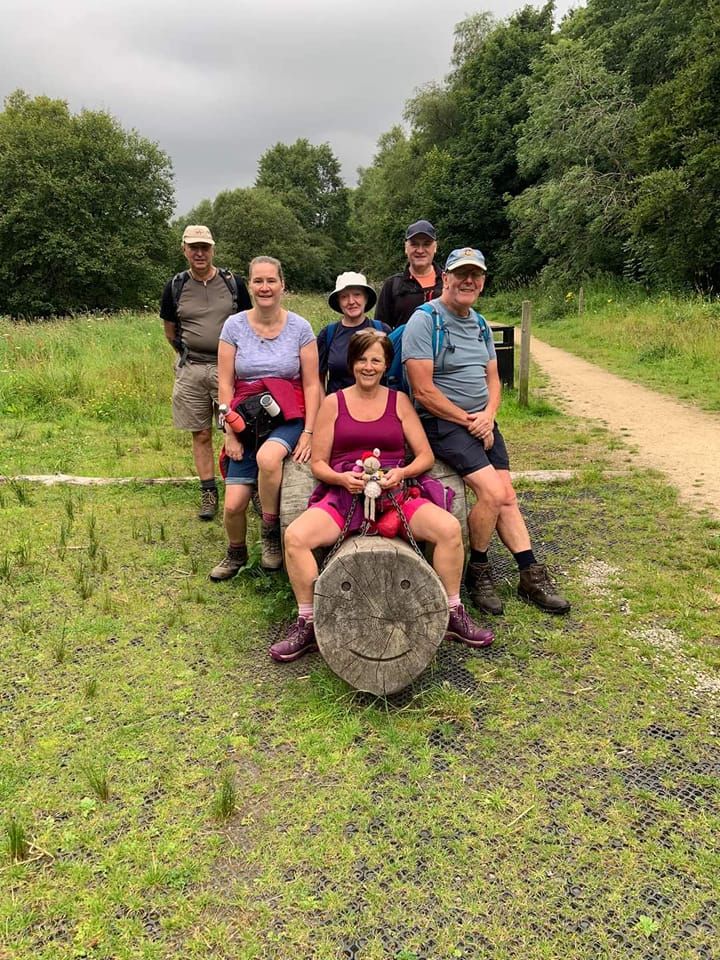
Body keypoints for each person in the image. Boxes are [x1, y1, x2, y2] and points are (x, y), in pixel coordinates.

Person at [268, 328, 494, 662]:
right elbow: (317, 463)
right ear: (352, 363)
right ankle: (308, 621)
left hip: (395, 495)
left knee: (447, 529)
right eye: (362, 359)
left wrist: (400, 473)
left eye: (376, 360)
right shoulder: (333, 403)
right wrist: (342, 479)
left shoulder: (399, 401)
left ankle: (452, 612)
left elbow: (425, 457)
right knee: (297, 537)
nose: (368, 366)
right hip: (345, 494)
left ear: (386, 364)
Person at [403, 247, 571, 616]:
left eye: (475, 275)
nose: (468, 281)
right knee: (492, 493)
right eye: (460, 273)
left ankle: (529, 573)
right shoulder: (425, 321)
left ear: (482, 282)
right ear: (444, 277)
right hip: (442, 423)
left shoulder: (479, 323)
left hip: (481, 421)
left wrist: (489, 415)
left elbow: (494, 379)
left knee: (506, 494)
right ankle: (478, 570)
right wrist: (470, 421)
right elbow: (424, 391)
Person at [209, 255, 321, 580]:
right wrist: (228, 431)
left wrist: (310, 432)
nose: (265, 287)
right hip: (244, 418)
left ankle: (270, 532)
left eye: (271, 280)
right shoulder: (233, 327)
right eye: (258, 281)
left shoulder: (300, 328)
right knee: (233, 505)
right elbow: (225, 383)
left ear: (282, 285)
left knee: (269, 458)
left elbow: (313, 384)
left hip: (287, 415)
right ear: (249, 285)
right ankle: (236, 552)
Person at [160, 224, 252, 520]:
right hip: (192, 369)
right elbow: (170, 330)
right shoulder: (175, 286)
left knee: (240, 429)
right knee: (200, 433)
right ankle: (209, 491)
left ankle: (251, 488)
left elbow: (249, 322)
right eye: (193, 247)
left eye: (205, 247)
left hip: (231, 368)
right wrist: (189, 354)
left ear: (213, 249)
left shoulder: (233, 283)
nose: (199, 253)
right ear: (184, 249)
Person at [317, 272, 390, 393]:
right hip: (338, 407)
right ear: (338, 302)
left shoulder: (382, 330)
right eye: (344, 296)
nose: (351, 301)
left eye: (357, 295)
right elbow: (318, 379)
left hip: (377, 406)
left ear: (366, 298)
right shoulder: (328, 334)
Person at [374, 220, 443, 330]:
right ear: (406, 247)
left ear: (435, 247)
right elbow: (380, 332)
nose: (420, 250)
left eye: (426, 244)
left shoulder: (448, 282)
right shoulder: (392, 285)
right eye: (414, 244)